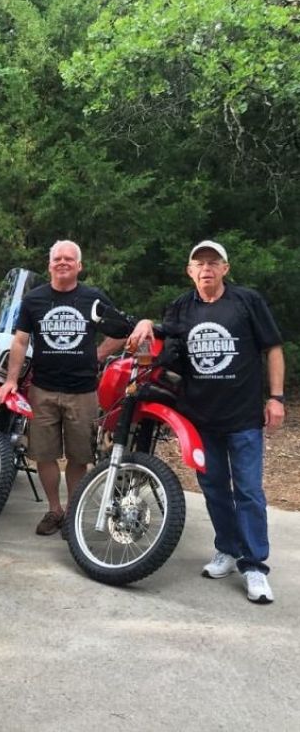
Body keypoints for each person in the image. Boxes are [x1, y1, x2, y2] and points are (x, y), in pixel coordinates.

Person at [128, 240, 284, 604]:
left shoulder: (247, 301)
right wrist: (146, 321)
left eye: (214, 262)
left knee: (248, 491)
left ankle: (254, 566)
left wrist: (276, 398)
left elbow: (273, 348)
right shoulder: (182, 307)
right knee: (214, 488)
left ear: (225, 269)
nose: (206, 269)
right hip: (199, 417)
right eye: (199, 264)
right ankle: (227, 549)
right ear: (190, 271)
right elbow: (163, 338)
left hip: (243, 417)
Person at [0, 240, 125, 536]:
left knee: (80, 457)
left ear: (79, 266)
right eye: (57, 258)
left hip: (83, 391)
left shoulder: (93, 298)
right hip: (42, 389)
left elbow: (120, 331)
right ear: (49, 265)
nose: (63, 262)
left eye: (69, 258)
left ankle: (72, 513)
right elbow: (20, 341)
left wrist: (99, 354)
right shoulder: (34, 300)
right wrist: (12, 380)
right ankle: (55, 510)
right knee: (44, 454)